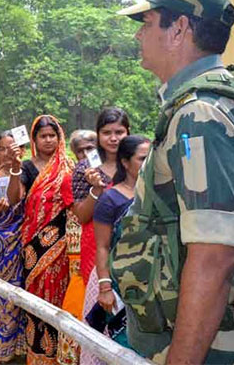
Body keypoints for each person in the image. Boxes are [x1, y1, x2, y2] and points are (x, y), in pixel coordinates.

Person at [112, 0, 234, 364]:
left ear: (178, 29)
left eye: (146, 24)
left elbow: (215, 255)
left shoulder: (201, 116)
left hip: (213, 344)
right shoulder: (231, 100)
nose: (138, 36)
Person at [7, 115, 74, 364]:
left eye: (52, 135)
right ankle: (38, 354)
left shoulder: (69, 167)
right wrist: (14, 167)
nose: (48, 140)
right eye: (42, 136)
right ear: (34, 140)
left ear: (59, 137)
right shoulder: (27, 166)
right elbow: (15, 199)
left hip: (63, 245)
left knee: (61, 297)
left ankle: (63, 353)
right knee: (36, 298)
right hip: (34, 246)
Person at [84, 136, 149, 361]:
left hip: (151, 288)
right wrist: (104, 288)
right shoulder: (111, 199)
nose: (148, 163)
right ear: (125, 162)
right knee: (118, 346)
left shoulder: (160, 196)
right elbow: (102, 247)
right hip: (117, 285)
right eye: (142, 159)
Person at [71, 108, 129, 326]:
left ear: (128, 132)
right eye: (107, 132)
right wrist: (96, 189)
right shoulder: (84, 168)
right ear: (98, 134)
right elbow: (81, 216)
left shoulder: (137, 163)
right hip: (95, 244)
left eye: (119, 132)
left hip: (131, 244)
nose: (113, 138)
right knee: (100, 305)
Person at [0, 132, 26, 363]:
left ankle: (15, 344)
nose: (8, 152)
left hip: (20, 239)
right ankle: (0, 344)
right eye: (3, 148)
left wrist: (16, 169)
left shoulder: (24, 171)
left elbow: (17, 199)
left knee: (17, 292)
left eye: (13, 147)